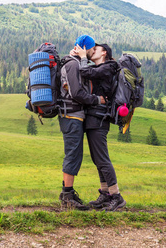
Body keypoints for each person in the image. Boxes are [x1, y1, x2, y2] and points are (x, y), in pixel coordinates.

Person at [73, 43, 126, 211]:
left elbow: (86, 72)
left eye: (95, 49)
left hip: (100, 117)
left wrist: (82, 57)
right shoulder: (101, 68)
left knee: (102, 158)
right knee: (97, 159)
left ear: (104, 53)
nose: (91, 51)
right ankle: (105, 193)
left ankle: (116, 196)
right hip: (94, 116)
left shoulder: (109, 67)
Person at [58, 35, 105, 210]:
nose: (94, 51)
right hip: (71, 115)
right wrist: (96, 100)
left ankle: (68, 195)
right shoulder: (72, 64)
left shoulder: (77, 63)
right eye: (93, 48)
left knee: (75, 155)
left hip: (75, 115)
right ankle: (67, 197)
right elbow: (76, 93)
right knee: (72, 154)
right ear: (86, 47)